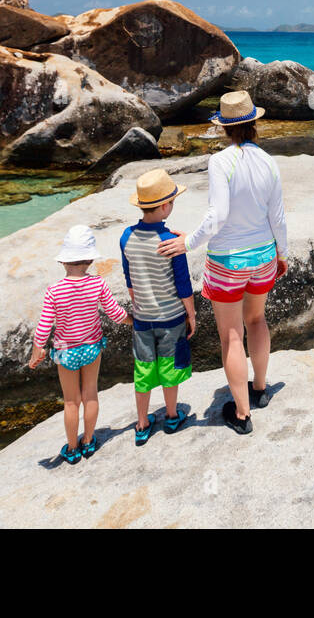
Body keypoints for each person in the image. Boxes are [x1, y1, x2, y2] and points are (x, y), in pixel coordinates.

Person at [158, 90, 287, 435]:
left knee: (231, 335)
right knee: (257, 320)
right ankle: (260, 388)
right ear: (254, 123)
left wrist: (188, 242)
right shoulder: (269, 161)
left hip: (228, 261)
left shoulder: (220, 161)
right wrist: (282, 253)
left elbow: (218, 216)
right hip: (263, 256)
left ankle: (242, 414)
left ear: (224, 128)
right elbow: (278, 217)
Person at [29, 225, 129, 465]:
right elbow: (115, 314)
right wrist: (133, 320)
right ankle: (89, 441)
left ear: (64, 262)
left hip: (66, 352)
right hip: (92, 347)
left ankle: (72, 448)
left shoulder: (54, 291)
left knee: (71, 401)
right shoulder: (98, 284)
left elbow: (44, 327)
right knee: (90, 394)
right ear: (90, 260)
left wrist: (36, 352)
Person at [120, 168, 197, 446]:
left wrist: (138, 304)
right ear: (165, 206)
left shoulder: (126, 237)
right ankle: (172, 415)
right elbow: (183, 285)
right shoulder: (170, 242)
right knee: (169, 367)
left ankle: (142, 423)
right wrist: (192, 314)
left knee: (143, 370)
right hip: (171, 318)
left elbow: (129, 280)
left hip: (142, 319)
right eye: (172, 202)